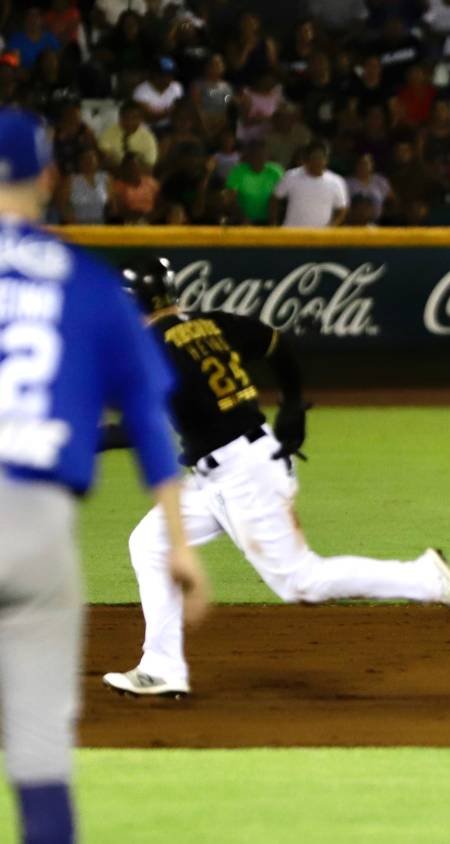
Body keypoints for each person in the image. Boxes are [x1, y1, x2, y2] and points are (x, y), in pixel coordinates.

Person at [101, 257, 450, 699]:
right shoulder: (209, 323)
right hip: (221, 472)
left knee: (301, 581)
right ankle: (161, 666)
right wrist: (293, 402)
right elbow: (276, 343)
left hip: (243, 474)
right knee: (150, 543)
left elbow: (138, 429)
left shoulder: (151, 348)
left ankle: (425, 578)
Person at [0, 108, 206, 844]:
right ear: (49, 178)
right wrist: (178, 543)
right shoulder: (87, 286)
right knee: (39, 759)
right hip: (36, 535)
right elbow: (151, 421)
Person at [270, 142, 349, 228]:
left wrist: (331, 227)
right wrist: (273, 223)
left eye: (321, 157)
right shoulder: (291, 176)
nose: (318, 161)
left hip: (320, 237)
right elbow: (275, 198)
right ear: (307, 159)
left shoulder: (336, 181)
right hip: (292, 234)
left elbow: (342, 209)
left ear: (326, 160)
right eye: (314, 157)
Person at [224, 138, 283, 225]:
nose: (258, 158)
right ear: (249, 157)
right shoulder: (238, 171)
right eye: (255, 155)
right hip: (242, 220)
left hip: (270, 219)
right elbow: (231, 197)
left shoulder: (276, 171)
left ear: (267, 156)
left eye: (262, 155)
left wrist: (273, 221)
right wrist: (243, 219)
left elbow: (278, 198)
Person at [98, 101, 158, 170]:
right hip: (114, 173)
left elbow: (149, 164)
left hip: (139, 175)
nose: (130, 122)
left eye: (134, 118)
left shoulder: (148, 137)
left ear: (141, 119)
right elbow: (104, 155)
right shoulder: (109, 132)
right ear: (120, 118)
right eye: (126, 118)